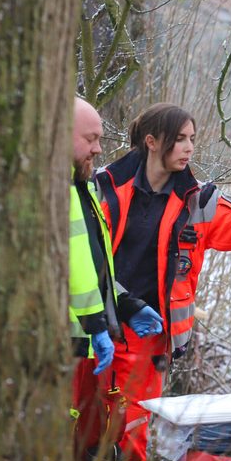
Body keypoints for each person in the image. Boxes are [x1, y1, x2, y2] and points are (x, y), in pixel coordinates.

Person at [72, 103, 231, 461]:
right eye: (180, 139)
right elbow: (85, 260)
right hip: (94, 322)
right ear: (152, 142)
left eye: (192, 139)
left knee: (135, 423)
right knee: (85, 417)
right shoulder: (102, 188)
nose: (188, 149)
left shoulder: (194, 199)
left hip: (149, 333)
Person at [69, 96, 162, 406]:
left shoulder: (85, 189)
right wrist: (95, 325)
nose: (98, 149)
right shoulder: (48, 193)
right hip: (65, 349)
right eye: (90, 139)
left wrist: (123, 304)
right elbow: (70, 270)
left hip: (85, 347)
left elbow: (94, 267)